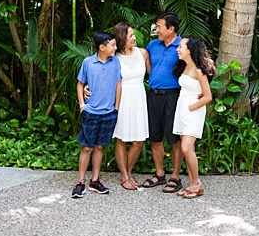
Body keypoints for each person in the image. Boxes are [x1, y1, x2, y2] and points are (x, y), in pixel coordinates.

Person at [138, 12, 185, 193]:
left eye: (159, 27)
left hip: (173, 97)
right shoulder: (152, 45)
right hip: (153, 96)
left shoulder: (182, 46)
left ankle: (175, 177)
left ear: (171, 29)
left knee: (174, 139)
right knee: (155, 137)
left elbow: (197, 69)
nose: (156, 30)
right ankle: (159, 174)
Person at [73, 31, 122, 198]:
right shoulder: (88, 63)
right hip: (90, 112)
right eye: (113, 45)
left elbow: (118, 84)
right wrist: (82, 105)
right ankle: (80, 182)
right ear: (102, 47)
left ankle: (95, 181)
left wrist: (116, 108)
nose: (115, 48)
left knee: (100, 147)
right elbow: (80, 85)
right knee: (87, 147)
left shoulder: (115, 62)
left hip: (109, 113)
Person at [172, 37, 215, 199]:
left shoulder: (198, 70)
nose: (178, 49)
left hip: (193, 110)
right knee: (188, 148)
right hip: (182, 108)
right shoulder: (185, 66)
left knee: (185, 148)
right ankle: (191, 184)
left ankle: (196, 183)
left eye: (181, 46)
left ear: (190, 49)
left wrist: (191, 107)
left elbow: (208, 96)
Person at [111, 22, 151, 190]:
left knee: (139, 140)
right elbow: (104, 78)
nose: (135, 38)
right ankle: (124, 176)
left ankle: (128, 172)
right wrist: (86, 87)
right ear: (122, 38)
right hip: (123, 98)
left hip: (139, 98)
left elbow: (153, 76)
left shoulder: (143, 53)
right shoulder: (114, 58)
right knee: (121, 139)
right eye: (131, 36)